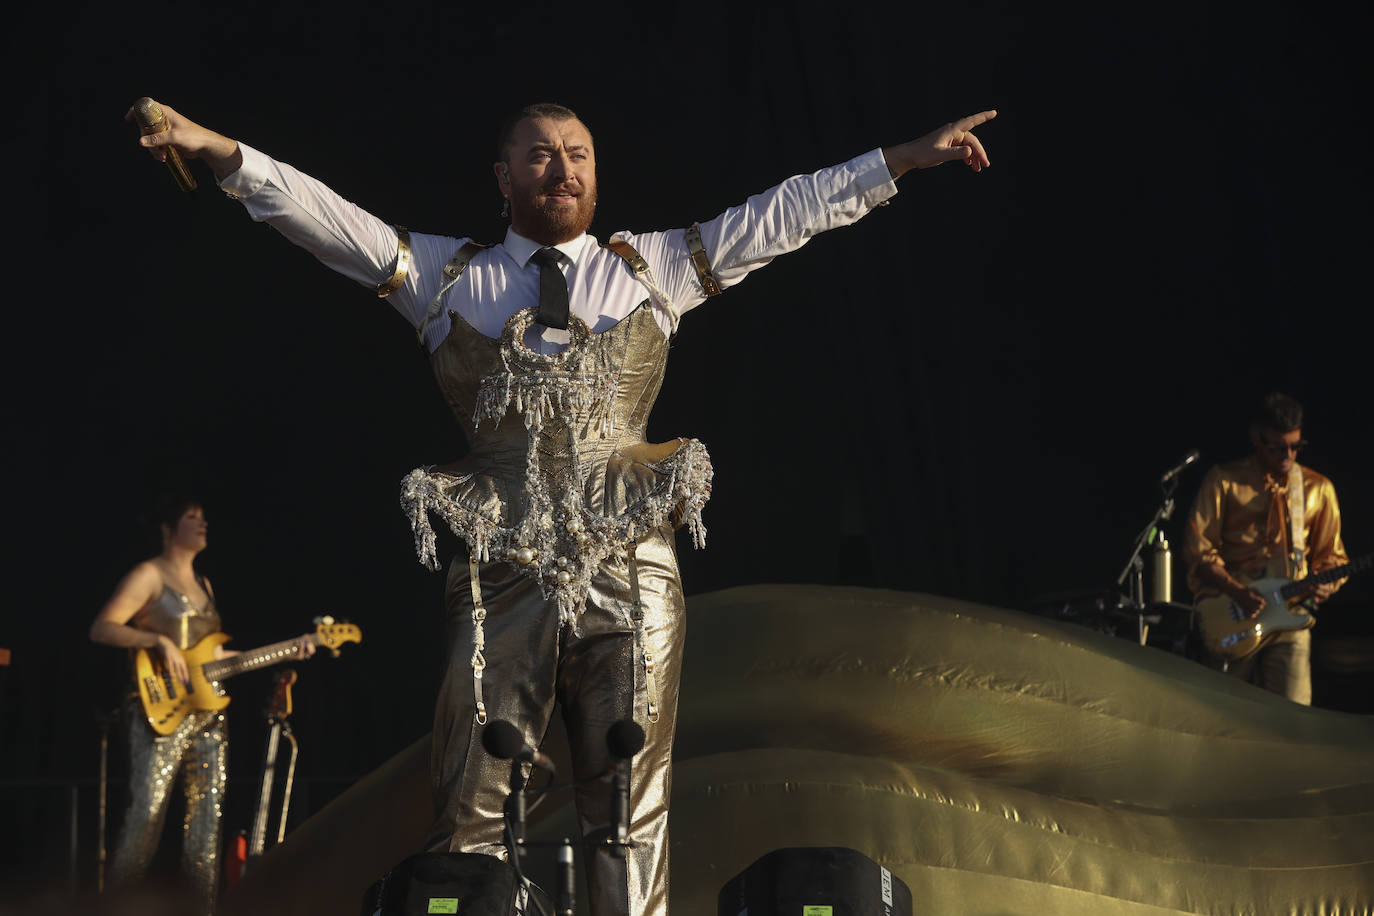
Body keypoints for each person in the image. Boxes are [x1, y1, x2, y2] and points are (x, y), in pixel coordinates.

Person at [128, 99, 995, 915]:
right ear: (503, 176)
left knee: (628, 805)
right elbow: (319, 216)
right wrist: (218, 150)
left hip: (632, 566)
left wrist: (906, 160)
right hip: (499, 571)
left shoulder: (652, 268)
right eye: (540, 154)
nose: (563, 169)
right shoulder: (444, 276)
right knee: (470, 799)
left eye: (578, 155)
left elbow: (787, 210)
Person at [89, 497, 314, 914]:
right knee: (145, 822)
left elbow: (215, 660)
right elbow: (102, 627)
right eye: (192, 518)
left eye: (203, 517)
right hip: (160, 713)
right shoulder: (149, 574)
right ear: (167, 529)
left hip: (208, 715)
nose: (203, 523)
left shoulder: (204, 585)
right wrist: (156, 640)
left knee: (207, 828)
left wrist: (286, 651)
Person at [1184, 392, 1348, 704]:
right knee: (1225, 714)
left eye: (1295, 446)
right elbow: (1198, 549)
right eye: (1277, 447)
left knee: (1293, 722)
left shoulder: (1318, 488)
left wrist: (1327, 582)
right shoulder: (1224, 480)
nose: (1288, 455)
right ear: (1256, 439)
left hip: (1291, 615)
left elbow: (1332, 556)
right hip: (1233, 614)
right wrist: (1236, 591)